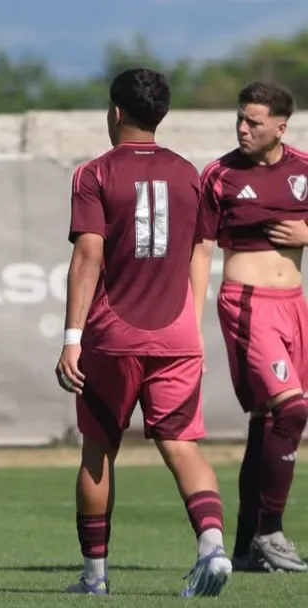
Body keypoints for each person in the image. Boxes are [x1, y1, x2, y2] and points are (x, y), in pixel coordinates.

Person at [54, 68, 232, 597]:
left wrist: (71, 336)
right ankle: (212, 547)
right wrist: (192, 328)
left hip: (113, 337)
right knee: (182, 444)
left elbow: (87, 255)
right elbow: (203, 251)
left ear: (114, 112)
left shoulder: (94, 173)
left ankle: (95, 578)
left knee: (98, 448)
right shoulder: (191, 174)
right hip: (177, 336)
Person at [195, 81, 308, 574]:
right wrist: (189, 317)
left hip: (294, 304)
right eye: (240, 119)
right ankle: (270, 532)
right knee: (293, 410)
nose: (243, 128)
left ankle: (243, 549)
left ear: (280, 127)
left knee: (266, 424)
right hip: (247, 304)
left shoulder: (304, 169)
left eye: (254, 122)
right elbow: (200, 250)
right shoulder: (218, 175)